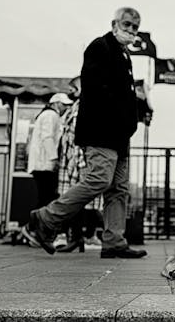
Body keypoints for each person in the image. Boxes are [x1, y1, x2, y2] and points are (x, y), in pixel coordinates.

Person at [23, 7, 147, 258]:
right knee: (99, 179)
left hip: (120, 135)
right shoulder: (100, 47)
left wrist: (129, 121)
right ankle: (45, 218)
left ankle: (114, 241)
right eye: (127, 24)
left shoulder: (124, 55)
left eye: (135, 27)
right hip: (102, 131)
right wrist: (120, 116)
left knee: (119, 189)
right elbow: (95, 88)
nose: (131, 30)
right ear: (114, 23)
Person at [55, 76, 104, 253]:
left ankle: (80, 237)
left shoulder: (83, 106)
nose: (72, 91)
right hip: (74, 160)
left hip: (78, 160)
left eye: (75, 88)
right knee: (79, 200)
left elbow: (77, 135)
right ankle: (78, 237)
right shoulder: (77, 107)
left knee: (79, 199)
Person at [27, 93, 73, 208]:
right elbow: (47, 138)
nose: (67, 108)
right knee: (47, 199)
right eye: (64, 104)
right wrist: (54, 159)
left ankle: (38, 224)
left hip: (41, 164)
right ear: (56, 103)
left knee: (45, 198)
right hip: (45, 165)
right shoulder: (51, 115)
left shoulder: (46, 114)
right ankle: (38, 224)